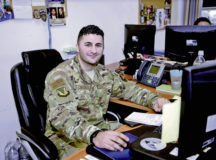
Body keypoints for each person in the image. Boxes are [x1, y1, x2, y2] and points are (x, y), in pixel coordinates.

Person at [44, 25, 170, 159]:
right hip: (67, 140)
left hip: (101, 128)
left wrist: (155, 100)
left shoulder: (103, 72)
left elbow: (130, 90)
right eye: (88, 45)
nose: (93, 50)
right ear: (77, 47)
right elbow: (63, 116)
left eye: (98, 45)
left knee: (143, 145)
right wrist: (95, 135)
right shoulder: (59, 76)